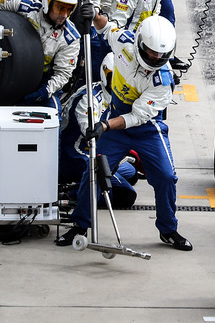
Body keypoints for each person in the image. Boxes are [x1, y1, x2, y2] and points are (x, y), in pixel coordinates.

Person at [56, 15, 191, 251]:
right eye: (151, 52)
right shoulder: (124, 41)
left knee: (166, 177)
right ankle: (80, 225)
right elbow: (105, 28)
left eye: (162, 55)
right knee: (94, 170)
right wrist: (94, 14)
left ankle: (168, 229)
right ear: (138, 43)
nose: (156, 58)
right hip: (115, 120)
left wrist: (104, 126)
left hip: (147, 128)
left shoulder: (163, 81)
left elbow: (137, 117)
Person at [59, 53, 138, 208]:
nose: (119, 84)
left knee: (132, 174)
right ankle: (72, 194)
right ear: (105, 74)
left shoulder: (120, 98)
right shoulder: (88, 100)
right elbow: (93, 135)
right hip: (75, 155)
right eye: (115, 78)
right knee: (126, 196)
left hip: (98, 153)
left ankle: (88, 185)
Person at [0, 0, 87, 115]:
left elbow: (63, 74)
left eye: (69, 9)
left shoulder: (71, 38)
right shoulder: (27, 7)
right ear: (48, 3)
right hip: (6, 70)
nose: (64, 15)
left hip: (40, 82)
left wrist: (43, 92)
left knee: (54, 114)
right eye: (60, 8)